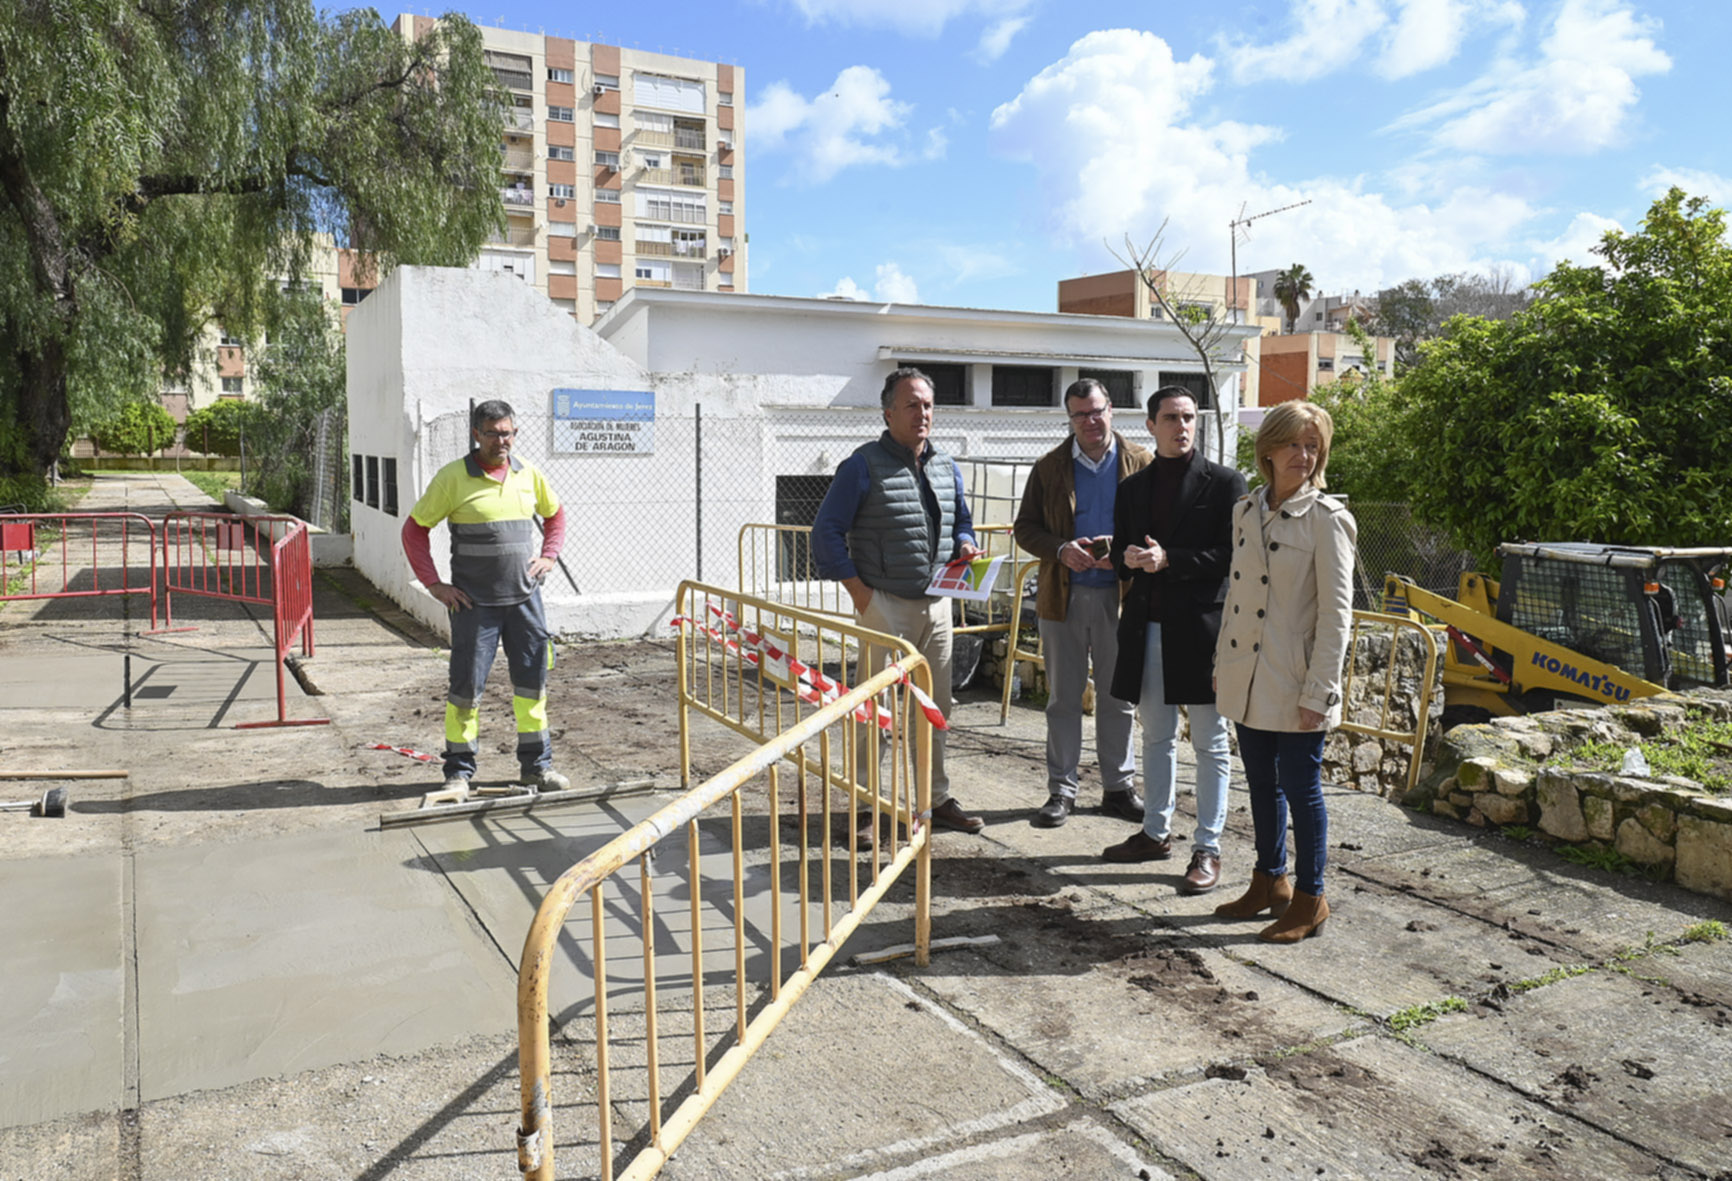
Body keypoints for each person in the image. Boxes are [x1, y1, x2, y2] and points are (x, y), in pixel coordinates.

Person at [812, 367, 987, 835]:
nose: (922, 413)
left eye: (928, 405)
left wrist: (965, 544)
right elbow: (825, 532)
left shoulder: (946, 465)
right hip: (884, 603)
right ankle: (866, 806)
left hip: (938, 604)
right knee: (877, 711)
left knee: (936, 707)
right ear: (888, 412)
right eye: (912, 405)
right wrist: (861, 594)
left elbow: (962, 522)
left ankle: (934, 799)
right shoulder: (863, 465)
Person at [1213, 399, 1356, 942]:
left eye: (1312, 446)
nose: (1304, 455)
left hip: (1298, 681)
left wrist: (1319, 691)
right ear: (1268, 449)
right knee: (1260, 785)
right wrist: (1220, 665)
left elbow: (1336, 617)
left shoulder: (1329, 520)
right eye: (1293, 444)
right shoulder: (1245, 511)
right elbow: (1236, 598)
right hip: (1247, 675)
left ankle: (1310, 897)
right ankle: (1268, 881)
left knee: (1302, 789)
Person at [1101, 386, 1246, 896]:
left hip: (1203, 631)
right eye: (1171, 418)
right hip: (1148, 626)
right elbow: (1120, 547)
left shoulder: (1227, 483)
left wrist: (1171, 560)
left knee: (1209, 743)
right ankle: (1155, 832)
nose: (1181, 426)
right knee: (1156, 736)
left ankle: (1207, 847)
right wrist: (1131, 560)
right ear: (1150, 425)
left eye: (1188, 417)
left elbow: (1231, 556)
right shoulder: (1132, 487)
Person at [401, 399, 569, 798]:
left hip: (525, 603)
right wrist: (434, 585)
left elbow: (556, 515)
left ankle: (537, 768)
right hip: (474, 606)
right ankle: (459, 772)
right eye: (492, 433)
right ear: (476, 434)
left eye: (507, 432)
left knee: (532, 687)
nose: (501, 440)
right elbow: (414, 530)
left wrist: (549, 555)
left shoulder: (528, 474)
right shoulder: (452, 478)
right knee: (465, 689)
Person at [1013, 379, 1152, 827]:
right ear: (1069, 419)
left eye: (1096, 412)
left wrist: (1125, 550)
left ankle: (1118, 788)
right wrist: (1059, 550)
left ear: (1111, 410)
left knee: (1119, 699)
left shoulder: (1141, 463)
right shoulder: (1049, 467)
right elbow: (1025, 528)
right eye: (1080, 415)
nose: (1090, 422)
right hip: (1064, 598)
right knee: (1063, 700)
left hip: (1122, 598)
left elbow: (1161, 525)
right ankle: (1062, 791)